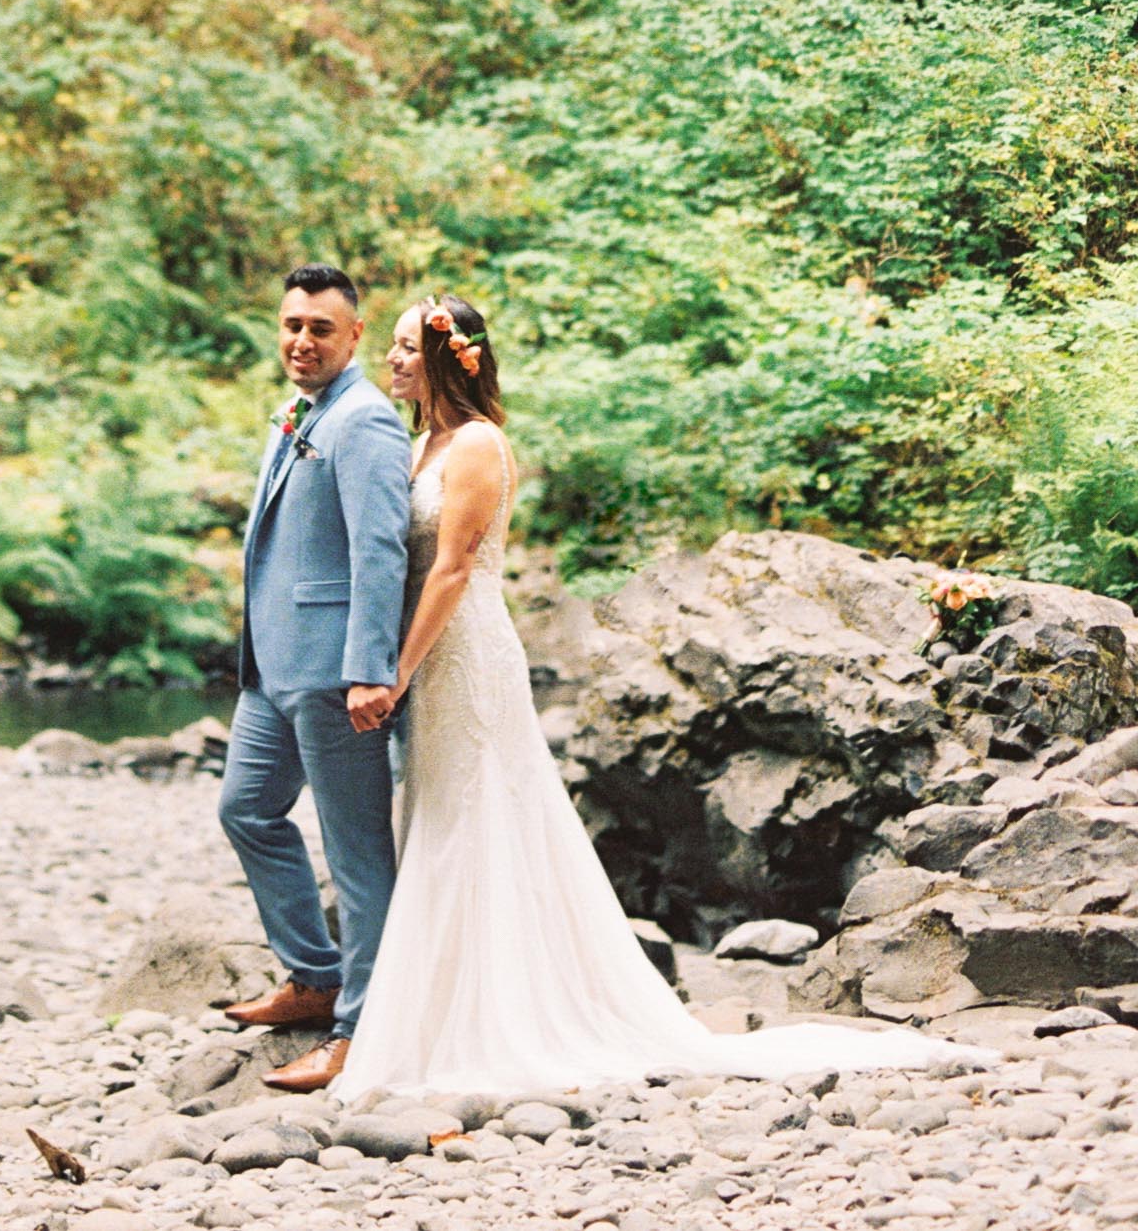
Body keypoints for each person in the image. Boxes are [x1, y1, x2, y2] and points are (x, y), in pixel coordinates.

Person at [333, 293, 972, 1112]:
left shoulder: (481, 444)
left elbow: (453, 569)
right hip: (429, 656)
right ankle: (437, 1013)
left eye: (402, 347)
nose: (390, 360)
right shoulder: (424, 442)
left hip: (463, 653)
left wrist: (394, 670)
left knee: (480, 814)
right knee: (441, 817)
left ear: (447, 357)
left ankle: (498, 1021)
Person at [214, 263, 414, 1096]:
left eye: (319, 328)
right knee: (246, 809)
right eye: (292, 324)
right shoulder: (301, 409)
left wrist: (370, 670)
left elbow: (380, 551)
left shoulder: (365, 420)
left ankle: (359, 1029)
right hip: (271, 666)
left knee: (357, 851)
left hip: (336, 675)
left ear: (353, 335)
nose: (301, 340)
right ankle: (313, 974)